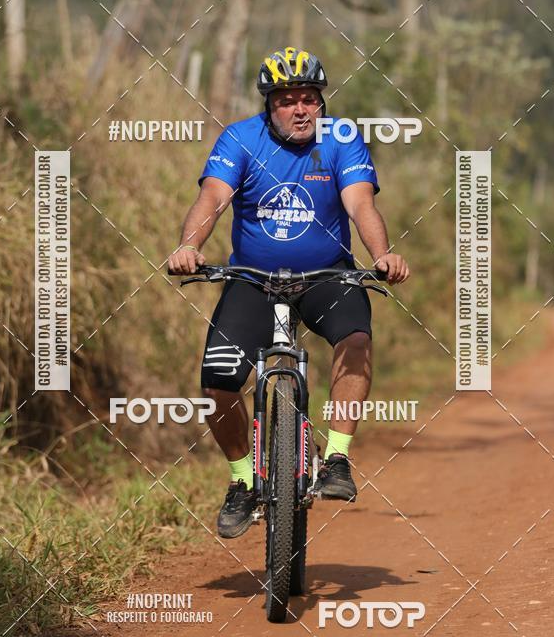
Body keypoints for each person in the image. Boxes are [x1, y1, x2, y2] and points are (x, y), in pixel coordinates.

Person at [168, 47, 409, 538]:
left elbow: (360, 205)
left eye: (309, 99)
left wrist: (382, 254)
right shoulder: (241, 139)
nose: (300, 110)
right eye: (286, 100)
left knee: (356, 339)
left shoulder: (341, 139)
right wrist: (190, 246)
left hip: (327, 276)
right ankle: (241, 480)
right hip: (253, 280)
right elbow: (213, 197)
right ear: (268, 105)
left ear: (321, 102)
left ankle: (336, 457)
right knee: (217, 381)